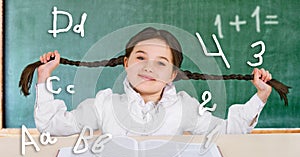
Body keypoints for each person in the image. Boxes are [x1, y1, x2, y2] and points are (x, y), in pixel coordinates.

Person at [34, 27, 272, 136]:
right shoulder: (103, 104)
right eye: (140, 57)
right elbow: (51, 126)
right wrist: (44, 78)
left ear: (172, 74)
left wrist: (260, 97)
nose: (148, 67)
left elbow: (230, 131)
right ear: (126, 63)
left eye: (161, 62)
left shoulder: (185, 107)